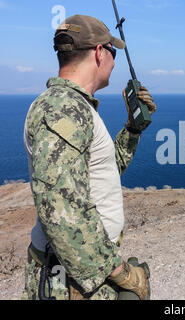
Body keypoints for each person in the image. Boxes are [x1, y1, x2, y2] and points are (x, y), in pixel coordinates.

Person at [21, 14, 156, 300]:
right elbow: (61, 208)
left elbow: (100, 174)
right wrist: (121, 272)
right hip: (71, 280)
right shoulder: (64, 108)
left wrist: (133, 128)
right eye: (112, 51)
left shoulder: (73, 106)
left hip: (82, 271)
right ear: (98, 52)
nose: (114, 60)